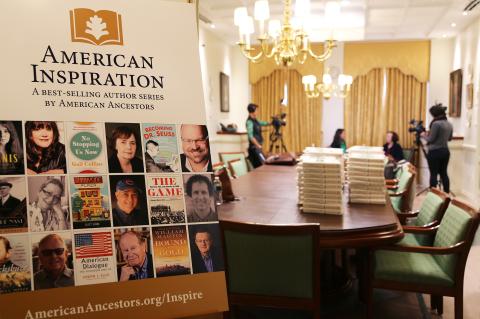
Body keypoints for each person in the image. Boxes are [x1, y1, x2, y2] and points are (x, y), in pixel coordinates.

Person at [421, 104, 453, 193]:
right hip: (445, 151)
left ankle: (433, 194)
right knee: (444, 173)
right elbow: (449, 138)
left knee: (433, 173)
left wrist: (423, 135)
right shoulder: (449, 124)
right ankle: (446, 193)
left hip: (435, 152)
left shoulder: (436, 124)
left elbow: (431, 139)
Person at [246, 103, 269, 168]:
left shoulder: (255, 120)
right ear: (252, 111)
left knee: (263, 165)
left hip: (257, 148)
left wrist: (270, 123)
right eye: (256, 110)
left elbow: (262, 123)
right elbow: (250, 136)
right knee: (260, 167)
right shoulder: (249, 122)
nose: (257, 112)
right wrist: (258, 145)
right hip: (254, 149)